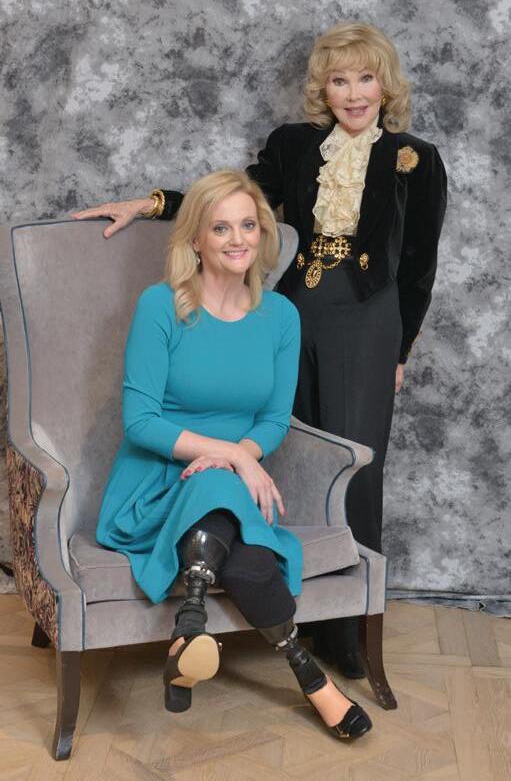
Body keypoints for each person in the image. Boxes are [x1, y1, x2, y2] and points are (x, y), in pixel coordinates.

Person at [74, 22, 447, 678]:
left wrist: (400, 351)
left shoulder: (415, 158)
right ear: (323, 89)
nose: (353, 93)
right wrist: (152, 202)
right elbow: (232, 205)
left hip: (367, 324)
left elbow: (419, 266)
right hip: (295, 311)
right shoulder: (294, 145)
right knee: (286, 452)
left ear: (385, 85)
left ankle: (348, 631)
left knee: (356, 469)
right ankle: (284, 601)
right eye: (339, 80)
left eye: (365, 78)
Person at [95, 169, 373, 739]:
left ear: (262, 233)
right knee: (218, 484)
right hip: (156, 482)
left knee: (231, 519)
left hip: (229, 485)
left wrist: (237, 456)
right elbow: (140, 421)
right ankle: (311, 677)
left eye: (248, 225)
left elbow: (273, 419)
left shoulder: (281, 316)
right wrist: (237, 458)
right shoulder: (160, 305)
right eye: (220, 228)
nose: (237, 239)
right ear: (196, 239)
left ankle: (190, 626)